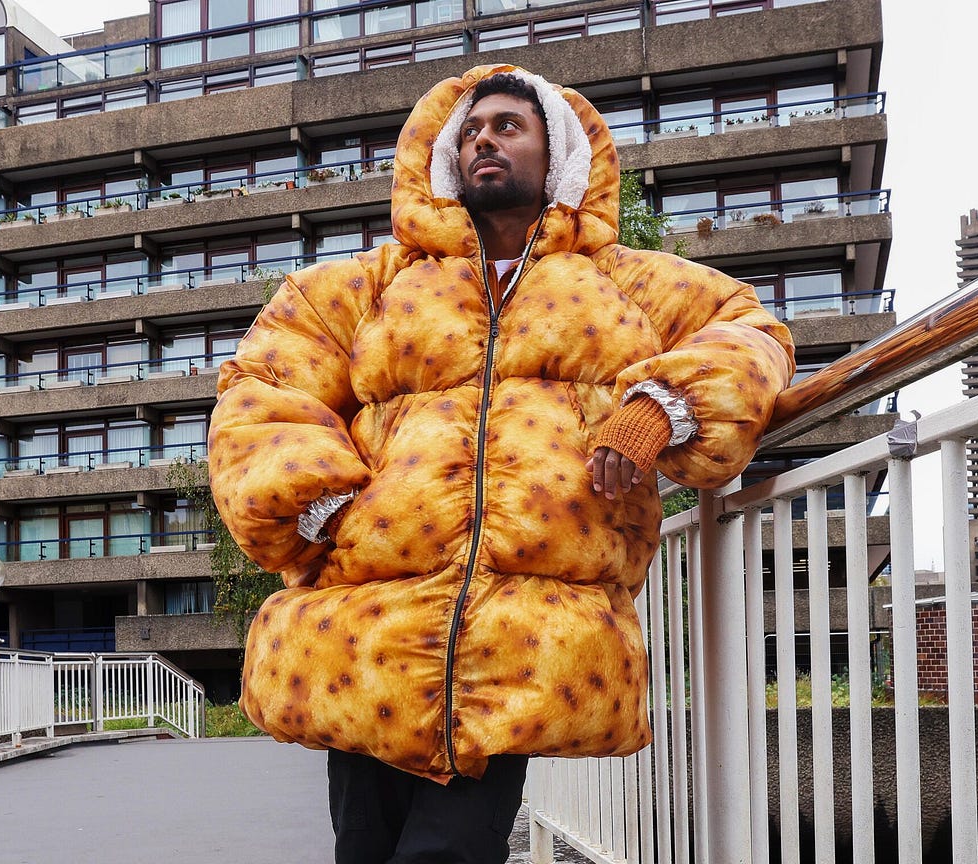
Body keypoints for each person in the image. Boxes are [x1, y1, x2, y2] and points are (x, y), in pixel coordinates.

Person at [207, 64, 795, 863]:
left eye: (508, 126)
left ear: (559, 155)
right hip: (365, 633)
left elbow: (752, 332)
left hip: (517, 642)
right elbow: (263, 385)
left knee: (449, 853)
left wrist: (659, 406)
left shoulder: (626, 283)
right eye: (471, 130)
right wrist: (321, 506)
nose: (484, 138)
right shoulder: (365, 286)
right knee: (363, 850)